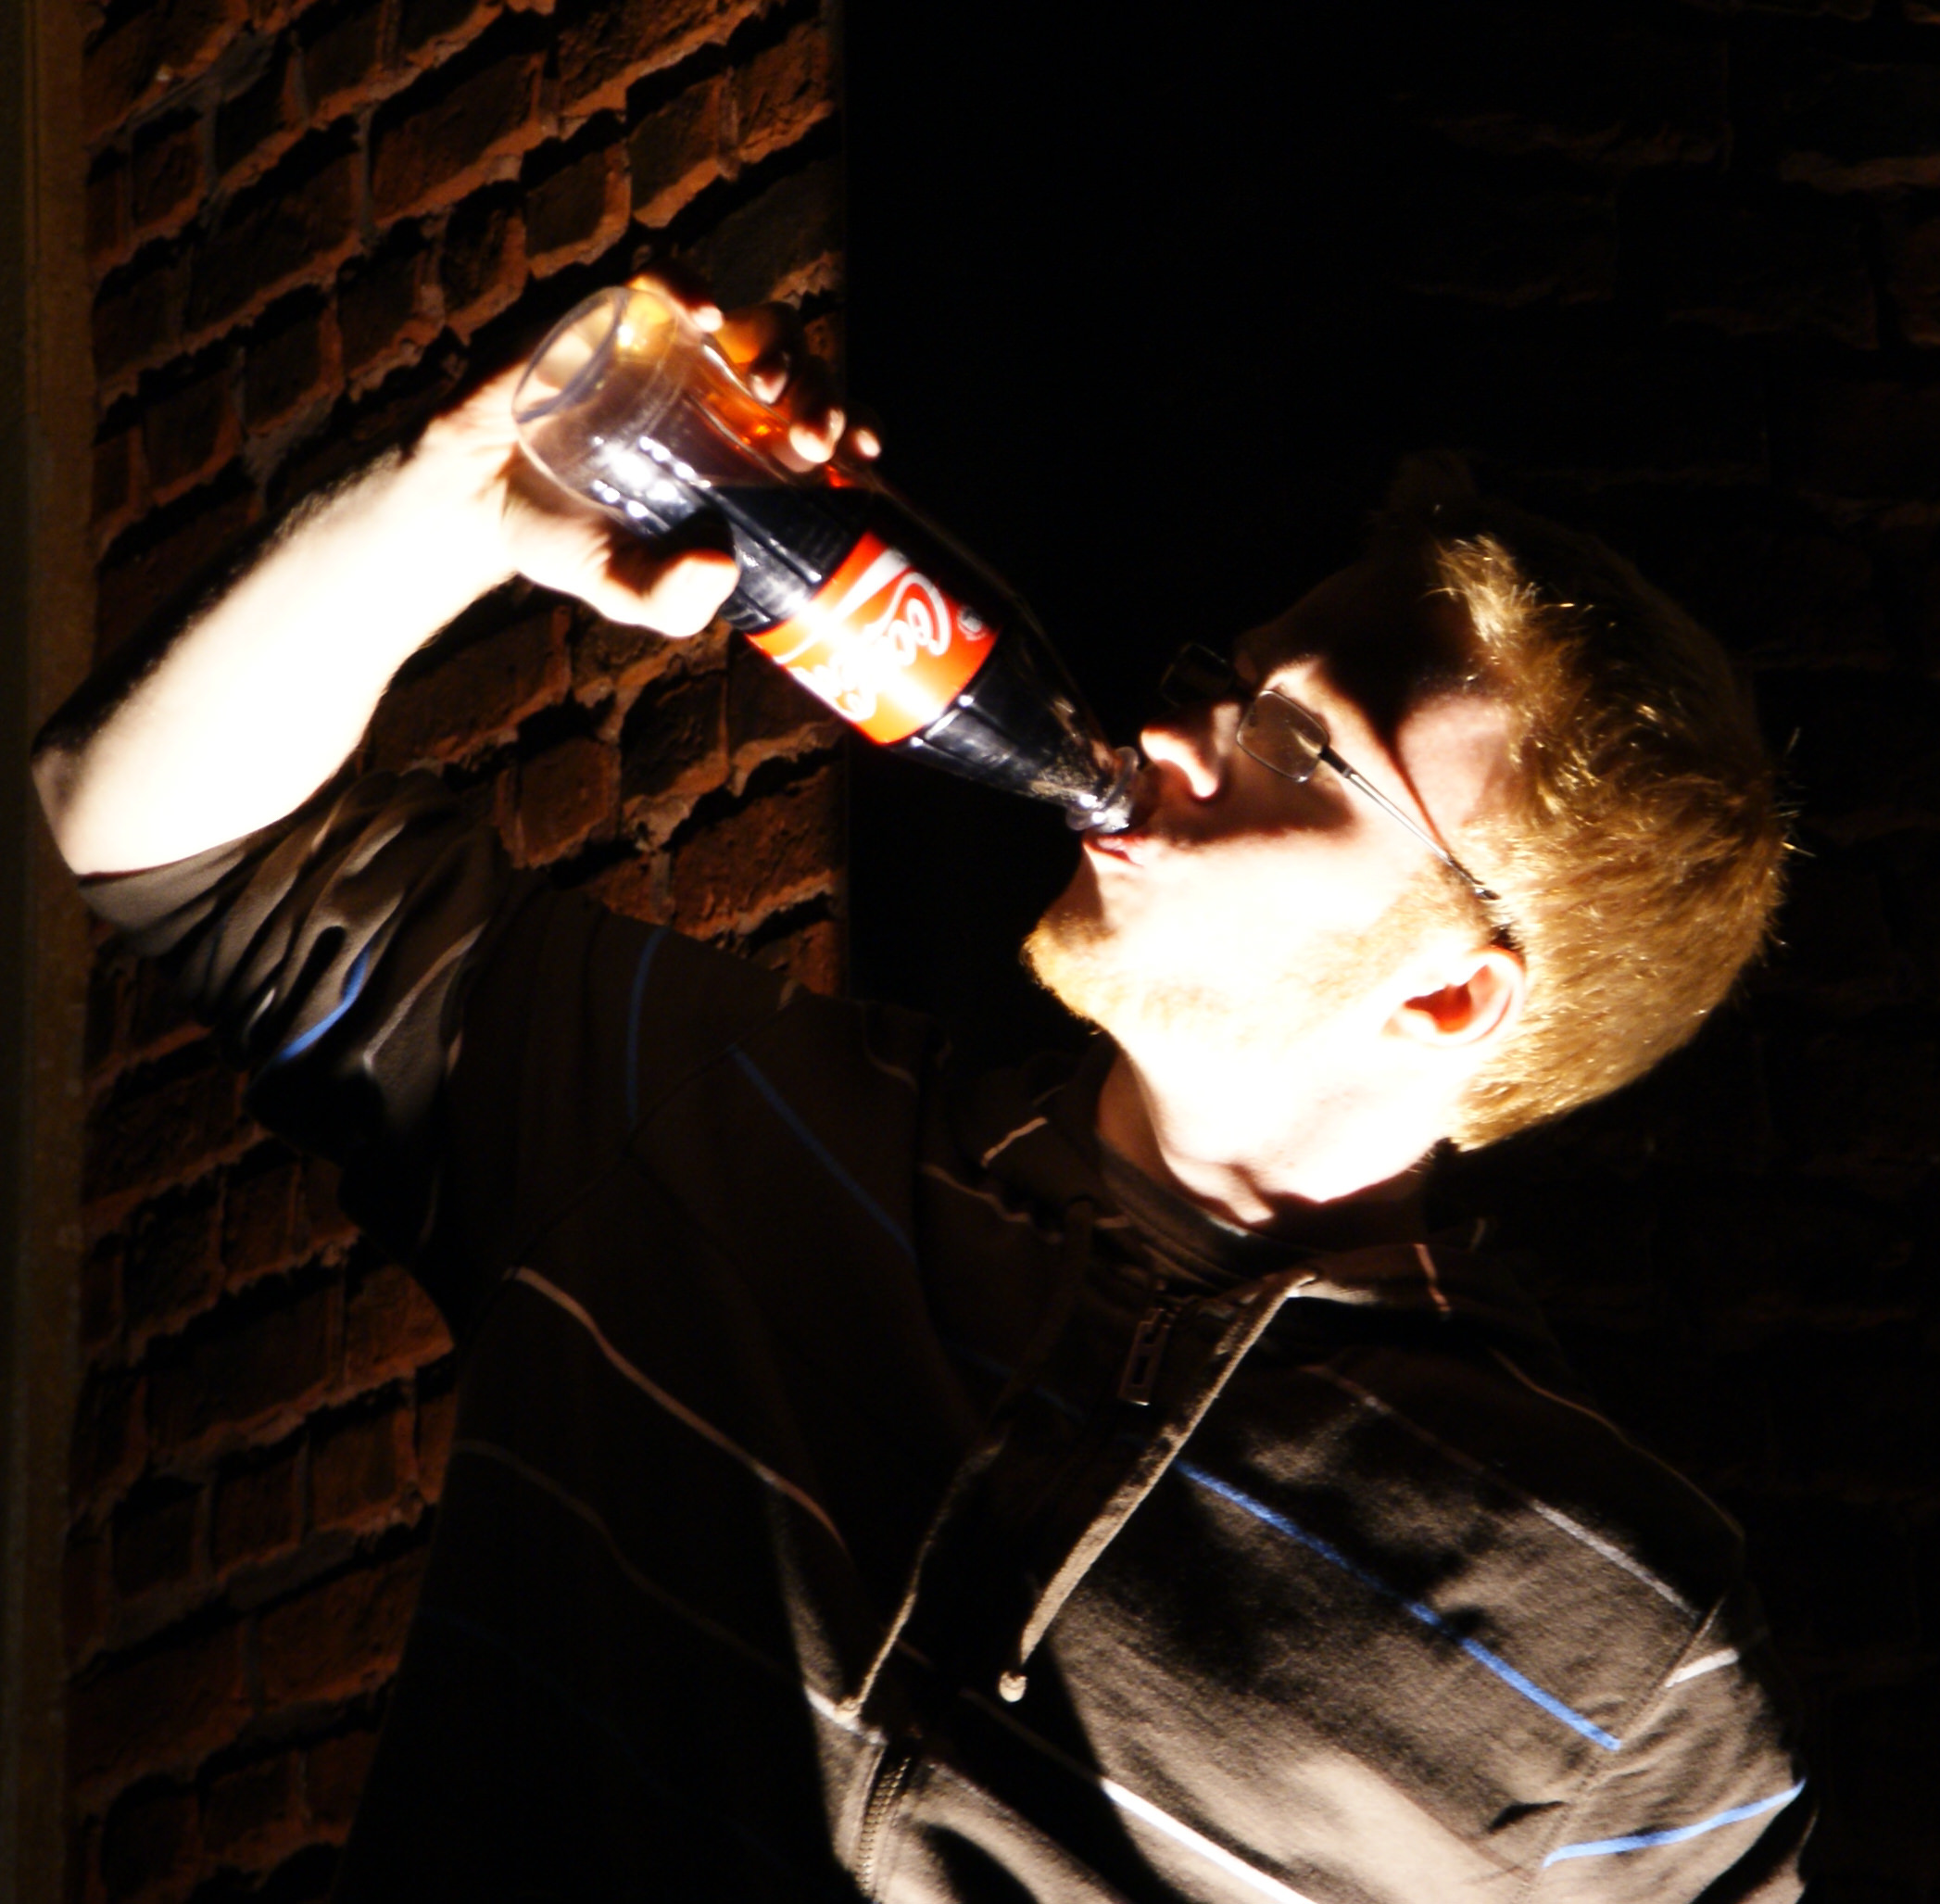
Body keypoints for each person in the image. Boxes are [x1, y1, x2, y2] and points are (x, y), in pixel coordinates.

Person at [35, 275, 1809, 1900]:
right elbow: (149, 829)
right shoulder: (711, 1127)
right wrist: (459, 499)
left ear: (1448, 994)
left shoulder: (1618, 1648)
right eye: (1227, 682)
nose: (1173, 735)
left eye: (1302, 748)